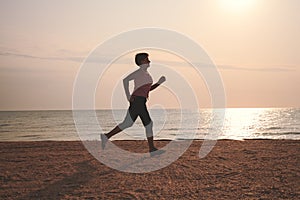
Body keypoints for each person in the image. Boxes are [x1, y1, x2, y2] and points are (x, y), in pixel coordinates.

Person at [100, 52, 166, 155]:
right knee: (148, 124)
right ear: (141, 62)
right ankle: (152, 149)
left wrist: (159, 83)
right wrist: (128, 96)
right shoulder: (138, 72)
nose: (149, 61)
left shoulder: (146, 74)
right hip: (138, 101)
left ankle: (106, 136)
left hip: (140, 101)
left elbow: (148, 89)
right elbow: (125, 80)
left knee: (128, 123)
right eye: (146, 59)